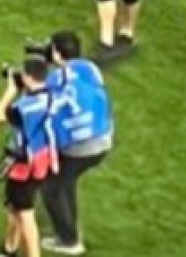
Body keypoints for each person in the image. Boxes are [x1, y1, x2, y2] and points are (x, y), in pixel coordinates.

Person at [42, 32, 113, 255]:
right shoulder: (90, 68)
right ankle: (71, 232)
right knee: (65, 182)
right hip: (103, 137)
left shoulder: (56, 79)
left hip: (79, 146)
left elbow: (47, 108)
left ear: (55, 52)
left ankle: (69, 240)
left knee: (52, 188)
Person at [0, 58, 57, 257]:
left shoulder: (24, 106)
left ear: (27, 77)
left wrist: (10, 91)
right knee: (15, 207)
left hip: (24, 164)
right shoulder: (51, 95)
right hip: (43, 157)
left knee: (25, 213)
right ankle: (9, 248)